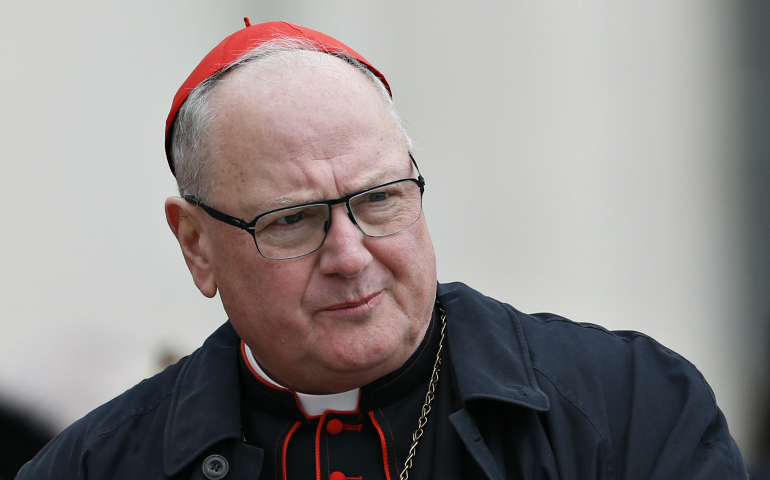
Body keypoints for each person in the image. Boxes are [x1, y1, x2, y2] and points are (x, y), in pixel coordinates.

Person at [18, 20, 747, 480]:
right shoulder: (94, 467)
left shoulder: (629, 405)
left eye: (379, 200)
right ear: (197, 246)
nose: (350, 254)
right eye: (294, 221)